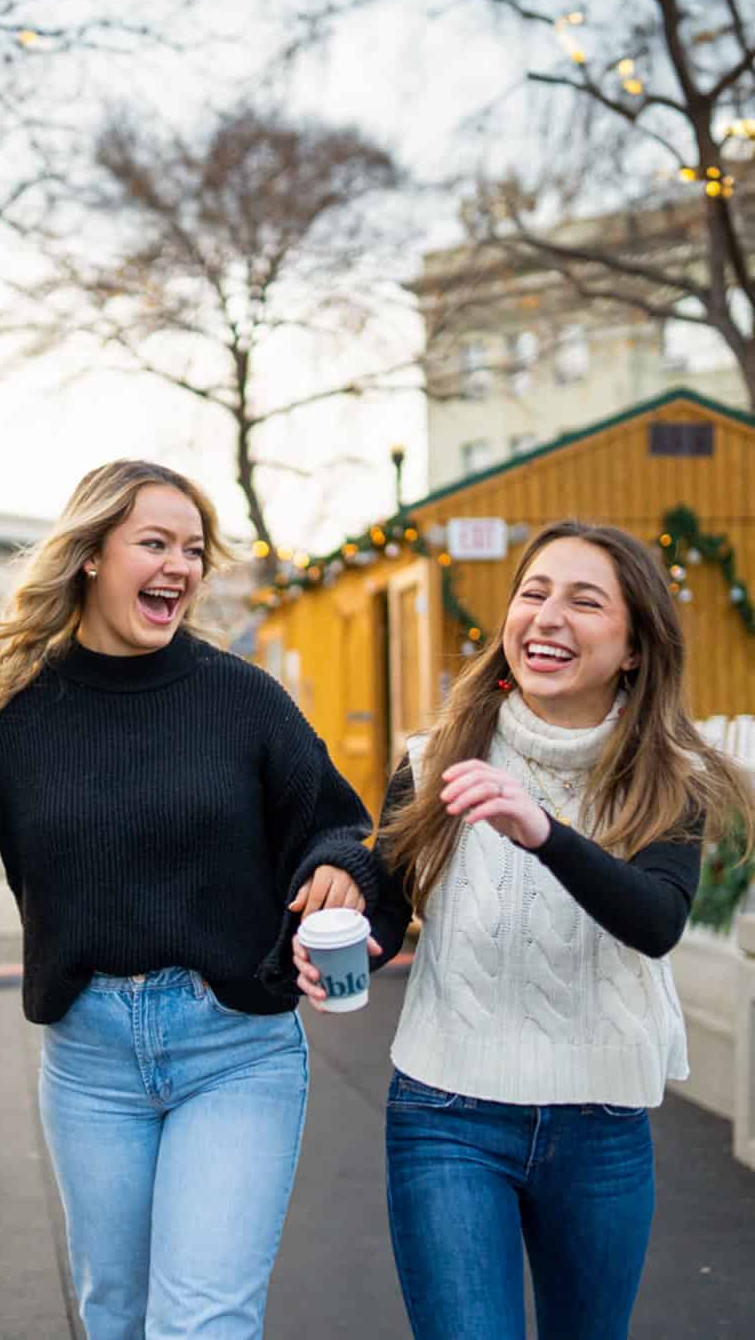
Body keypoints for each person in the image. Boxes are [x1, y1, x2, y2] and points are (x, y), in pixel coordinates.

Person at [0, 460, 381, 1340]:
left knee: (203, 1322)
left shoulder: (240, 697)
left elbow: (332, 823)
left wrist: (338, 872)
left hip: (235, 1050)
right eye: (155, 543)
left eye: (194, 550)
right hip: (90, 1060)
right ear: (93, 554)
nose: (180, 565)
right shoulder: (14, 711)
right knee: (117, 1316)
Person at [294, 520, 755, 1340]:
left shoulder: (666, 777)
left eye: (584, 601)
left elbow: (655, 922)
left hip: (601, 1122)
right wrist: (358, 922)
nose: (547, 616)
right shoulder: (434, 757)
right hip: (447, 1112)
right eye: (534, 593)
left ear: (635, 647)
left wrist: (543, 832)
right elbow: (396, 893)